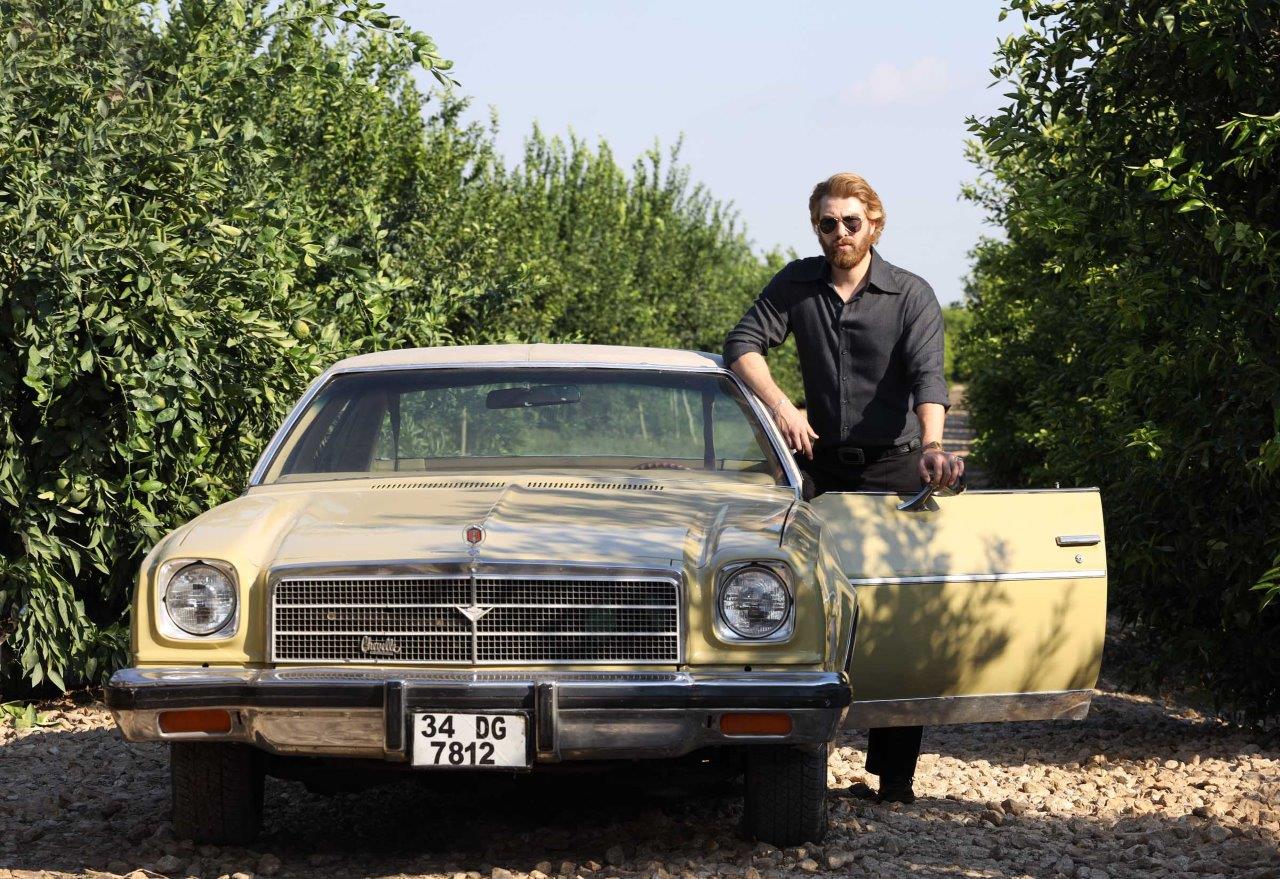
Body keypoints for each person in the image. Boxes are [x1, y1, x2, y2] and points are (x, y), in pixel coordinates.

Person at [723, 171, 964, 804]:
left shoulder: (910, 293)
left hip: (894, 464)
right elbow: (741, 344)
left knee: (901, 610)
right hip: (817, 462)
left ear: (874, 225)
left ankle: (895, 778)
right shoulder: (797, 284)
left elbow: (928, 378)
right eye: (827, 224)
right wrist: (782, 407)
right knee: (773, 580)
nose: (839, 233)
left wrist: (933, 448)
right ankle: (777, 754)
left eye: (851, 222)